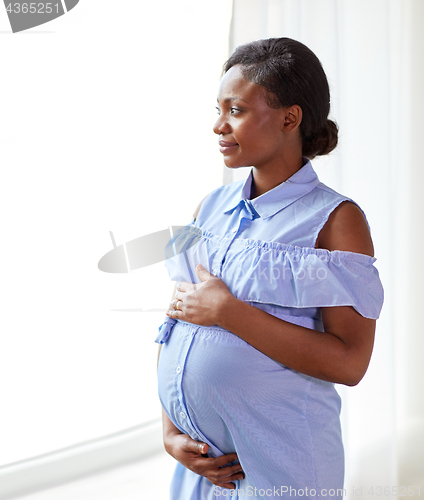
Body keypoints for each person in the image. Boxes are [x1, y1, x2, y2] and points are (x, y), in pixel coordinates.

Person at [156, 37, 384, 499]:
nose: (218, 125)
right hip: (204, 467)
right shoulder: (209, 207)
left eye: (235, 110)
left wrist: (231, 314)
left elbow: (351, 362)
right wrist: (170, 433)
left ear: (289, 118)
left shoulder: (336, 221)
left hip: (283, 469)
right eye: (218, 109)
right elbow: (174, 322)